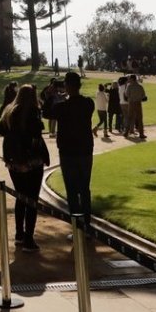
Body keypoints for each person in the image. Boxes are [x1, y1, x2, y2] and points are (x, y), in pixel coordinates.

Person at [0, 83, 50, 251]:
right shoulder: (33, 112)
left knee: (21, 197)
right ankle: (29, 238)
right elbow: (36, 134)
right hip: (32, 160)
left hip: (14, 161)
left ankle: (19, 233)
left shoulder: (9, 111)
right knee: (32, 199)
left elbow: (0, 130)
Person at [46, 72, 97, 218]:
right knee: (84, 188)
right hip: (85, 150)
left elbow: (46, 113)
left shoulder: (62, 107)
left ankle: (77, 226)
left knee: (72, 189)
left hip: (68, 151)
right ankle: (86, 222)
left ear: (67, 86)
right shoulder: (88, 103)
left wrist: (50, 96)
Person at [124, 74, 146, 140]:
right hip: (138, 103)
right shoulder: (140, 86)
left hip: (131, 103)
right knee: (139, 118)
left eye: (130, 79)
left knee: (129, 117)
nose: (129, 80)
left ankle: (126, 132)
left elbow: (126, 94)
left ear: (132, 79)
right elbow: (143, 95)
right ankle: (141, 133)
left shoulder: (129, 86)